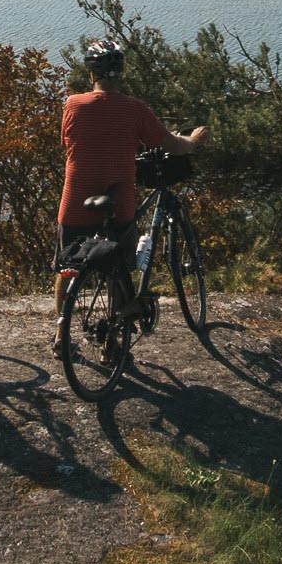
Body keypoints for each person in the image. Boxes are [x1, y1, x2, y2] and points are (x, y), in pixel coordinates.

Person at [51, 38, 205, 349]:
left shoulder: (72, 105)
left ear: (90, 72)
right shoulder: (135, 110)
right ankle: (114, 345)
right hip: (118, 203)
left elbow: (67, 144)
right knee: (118, 269)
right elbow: (169, 143)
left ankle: (60, 336)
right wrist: (193, 140)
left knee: (67, 268)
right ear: (121, 72)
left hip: (76, 200)